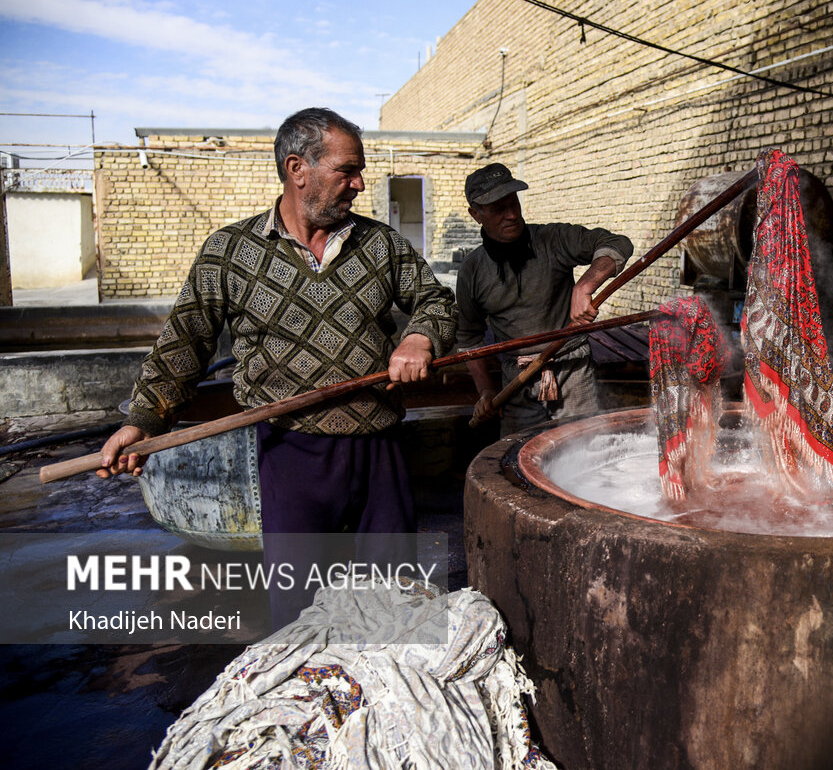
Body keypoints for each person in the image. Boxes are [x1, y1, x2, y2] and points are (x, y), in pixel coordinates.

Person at [97, 107, 457, 626]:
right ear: (297, 169)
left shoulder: (381, 245)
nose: (359, 184)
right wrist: (143, 422)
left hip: (379, 449)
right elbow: (183, 344)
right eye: (347, 171)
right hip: (290, 453)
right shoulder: (229, 253)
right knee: (300, 610)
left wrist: (419, 338)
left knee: (394, 604)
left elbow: (435, 301)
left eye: (359, 171)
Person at [457, 162, 633, 436]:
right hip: (516, 382)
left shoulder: (552, 239)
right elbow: (469, 339)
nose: (512, 215)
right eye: (499, 209)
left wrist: (585, 284)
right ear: (476, 214)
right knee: (518, 452)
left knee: (584, 448)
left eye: (514, 203)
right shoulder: (472, 270)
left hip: (573, 371)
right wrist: (486, 391)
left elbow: (618, 243)